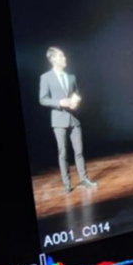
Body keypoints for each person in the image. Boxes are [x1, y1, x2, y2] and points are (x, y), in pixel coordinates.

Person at [39, 47, 97, 193]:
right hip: (59, 120)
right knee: (63, 153)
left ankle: (84, 179)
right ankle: (67, 183)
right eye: (61, 56)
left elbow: (76, 93)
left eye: (64, 56)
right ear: (53, 59)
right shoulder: (46, 77)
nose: (64, 58)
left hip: (74, 118)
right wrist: (59, 102)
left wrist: (76, 101)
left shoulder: (71, 77)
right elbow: (43, 99)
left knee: (79, 151)